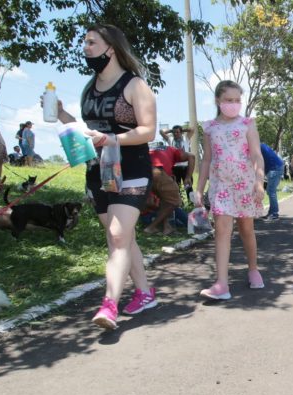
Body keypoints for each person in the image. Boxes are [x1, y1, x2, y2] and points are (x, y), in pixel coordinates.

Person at [54, 24, 158, 329]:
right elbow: (90, 129)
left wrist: (112, 139)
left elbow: (147, 131)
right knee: (123, 237)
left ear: (111, 48)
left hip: (132, 168)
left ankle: (109, 304)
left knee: (116, 236)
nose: (85, 48)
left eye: (91, 42)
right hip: (98, 170)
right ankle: (145, 292)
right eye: (84, 42)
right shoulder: (89, 87)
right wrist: (62, 115)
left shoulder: (135, 85)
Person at [194, 80, 265, 300]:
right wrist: (199, 188)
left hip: (245, 184)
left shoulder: (247, 124)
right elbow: (206, 160)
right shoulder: (209, 127)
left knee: (246, 230)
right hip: (221, 186)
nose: (233, 104)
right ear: (218, 101)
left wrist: (259, 181)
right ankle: (222, 284)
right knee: (222, 232)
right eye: (228, 100)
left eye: (236, 100)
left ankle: (253, 269)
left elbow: (256, 154)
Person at [145, 144, 195, 235]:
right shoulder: (173, 150)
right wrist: (187, 177)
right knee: (175, 202)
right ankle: (151, 227)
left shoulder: (149, 150)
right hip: (158, 172)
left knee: (166, 201)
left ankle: (166, 227)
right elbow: (191, 156)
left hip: (141, 174)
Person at [261, 143, 283, 220]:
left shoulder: (257, 147)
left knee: (271, 191)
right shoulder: (261, 145)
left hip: (274, 169)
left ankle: (274, 214)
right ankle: (271, 212)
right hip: (276, 167)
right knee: (270, 191)